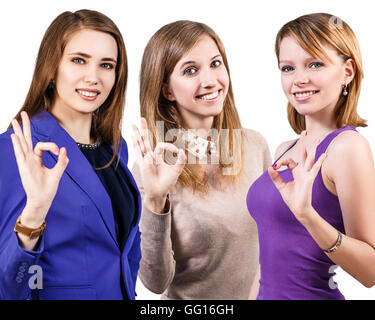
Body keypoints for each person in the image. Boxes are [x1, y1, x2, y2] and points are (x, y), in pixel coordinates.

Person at [0, 9, 141, 300]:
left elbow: (123, 254)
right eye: (79, 60)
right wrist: (33, 215)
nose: (94, 77)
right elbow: (7, 286)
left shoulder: (115, 148)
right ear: (51, 67)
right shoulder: (16, 149)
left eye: (106, 65)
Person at [131, 20, 271, 299]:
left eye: (216, 63)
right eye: (191, 70)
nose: (210, 80)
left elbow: (272, 245)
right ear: (167, 90)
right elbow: (155, 282)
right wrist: (156, 201)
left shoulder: (254, 146)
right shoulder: (154, 168)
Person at [247, 13, 375, 300]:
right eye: (288, 68)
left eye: (315, 64)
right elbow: (267, 264)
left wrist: (308, 215)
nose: (299, 79)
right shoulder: (286, 150)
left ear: (348, 71)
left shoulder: (347, 148)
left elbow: (370, 271)